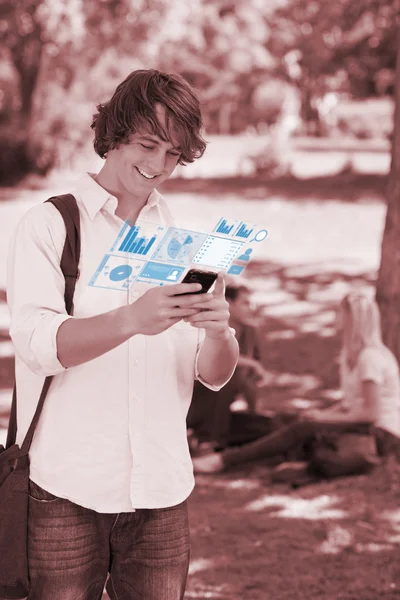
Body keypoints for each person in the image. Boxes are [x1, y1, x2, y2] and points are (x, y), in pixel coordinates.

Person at [6, 69, 239, 600]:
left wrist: (220, 331)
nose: (157, 166)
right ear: (114, 134)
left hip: (162, 491)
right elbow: (39, 346)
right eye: (147, 144)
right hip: (67, 490)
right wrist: (133, 319)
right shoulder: (50, 226)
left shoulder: (178, 239)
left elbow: (212, 374)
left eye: (174, 155)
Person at [193, 291, 400, 483]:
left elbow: (371, 414)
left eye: (340, 313)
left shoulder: (369, 358)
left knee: (303, 427)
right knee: (289, 419)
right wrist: (323, 413)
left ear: (353, 319)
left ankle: (223, 461)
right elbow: (353, 402)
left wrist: (325, 418)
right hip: (361, 423)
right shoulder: (350, 355)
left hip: (380, 432)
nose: (335, 317)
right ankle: (216, 442)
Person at [187, 284, 274, 451]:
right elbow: (216, 362)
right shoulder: (208, 327)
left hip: (220, 412)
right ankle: (208, 440)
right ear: (229, 303)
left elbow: (250, 381)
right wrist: (252, 363)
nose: (252, 308)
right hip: (195, 403)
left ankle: (209, 438)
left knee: (269, 426)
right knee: (228, 374)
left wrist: (253, 411)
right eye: (245, 303)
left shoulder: (250, 332)